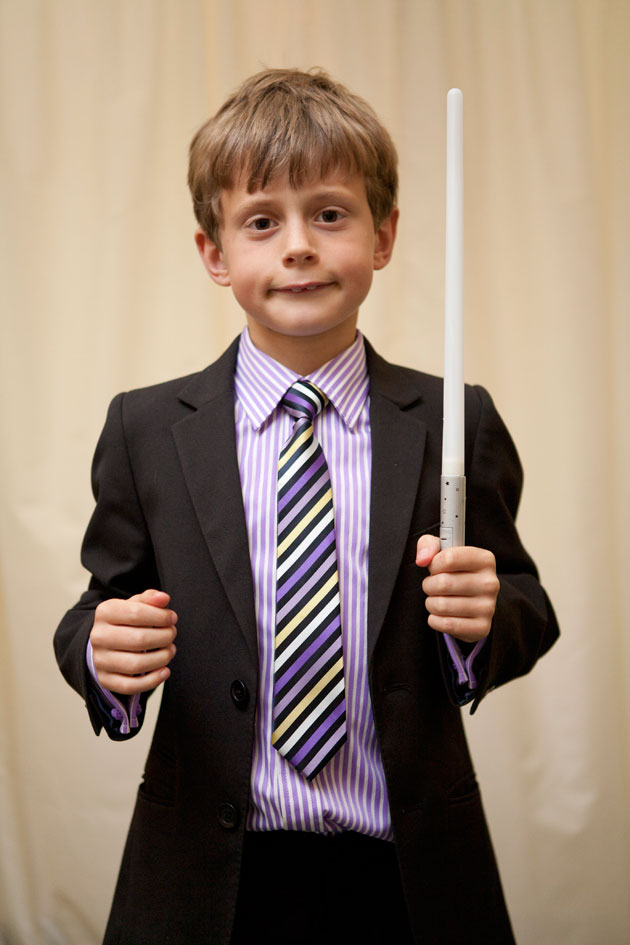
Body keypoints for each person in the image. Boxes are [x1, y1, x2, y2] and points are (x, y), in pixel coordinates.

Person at [54, 68, 559, 945]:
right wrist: (103, 650)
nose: (298, 246)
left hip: (405, 877)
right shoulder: (144, 428)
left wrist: (487, 619)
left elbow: (525, 603)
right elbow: (97, 608)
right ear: (215, 253)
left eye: (330, 213)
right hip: (209, 879)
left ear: (385, 234)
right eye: (261, 221)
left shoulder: (455, 419)